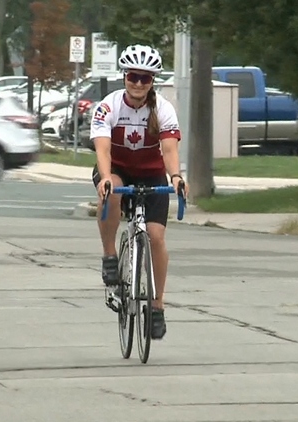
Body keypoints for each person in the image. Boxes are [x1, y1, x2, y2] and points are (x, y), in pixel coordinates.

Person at [90, 44, 190, 340]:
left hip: (151, 173)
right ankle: (110, 256)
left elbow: (169, 149)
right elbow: (103, 147)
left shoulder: (163, 109)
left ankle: (157, 307)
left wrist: (175, 176)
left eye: (145, 78)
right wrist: (106, 177)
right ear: (124, 76)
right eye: (133, 76)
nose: (138, 83)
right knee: (114, 190)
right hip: (117, 168)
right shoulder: (108, 105)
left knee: (157, 237)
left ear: (152, 82)